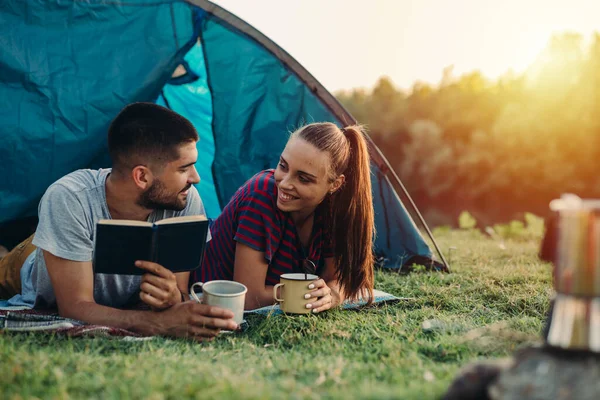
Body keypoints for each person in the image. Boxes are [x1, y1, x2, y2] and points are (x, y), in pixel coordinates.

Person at [0, 102, 237, 340]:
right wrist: (157, 323)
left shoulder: (184, 199)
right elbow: (74, 307)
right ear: (142, 176)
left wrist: (174, 298)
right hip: (32, 258)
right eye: (184, 169)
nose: (195, 178)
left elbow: (180, 291)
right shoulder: (70, 197)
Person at [196, 122, 375, 312]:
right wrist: (311, 293)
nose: (284, 183)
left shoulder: (332, 209)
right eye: (283, 165)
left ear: (335, 185)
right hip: (196, 292)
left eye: (303, 178)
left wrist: (331, 296)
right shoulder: (262, 195)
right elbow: (249, 298)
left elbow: (338, 279)